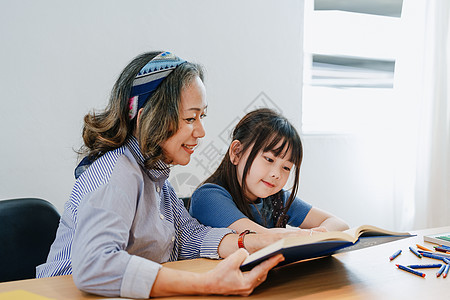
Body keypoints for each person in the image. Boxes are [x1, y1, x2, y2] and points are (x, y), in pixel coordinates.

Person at [35, 51, 320, 298]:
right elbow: (96, 265)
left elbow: (188, 237)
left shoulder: (157, 179)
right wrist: (206, 284)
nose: (201, 131)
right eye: (189, 118)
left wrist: (250, 240)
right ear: (150, 117)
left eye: (201, 117)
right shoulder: (116, 173)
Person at [189, 108, 349, 234]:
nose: (276, 174)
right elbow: (262, 239)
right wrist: (309, 237)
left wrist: (316, 236)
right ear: (237, 152)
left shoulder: (277, 199)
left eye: (286, 167)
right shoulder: (208, 197)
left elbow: (339, 224)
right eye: (269, 159)